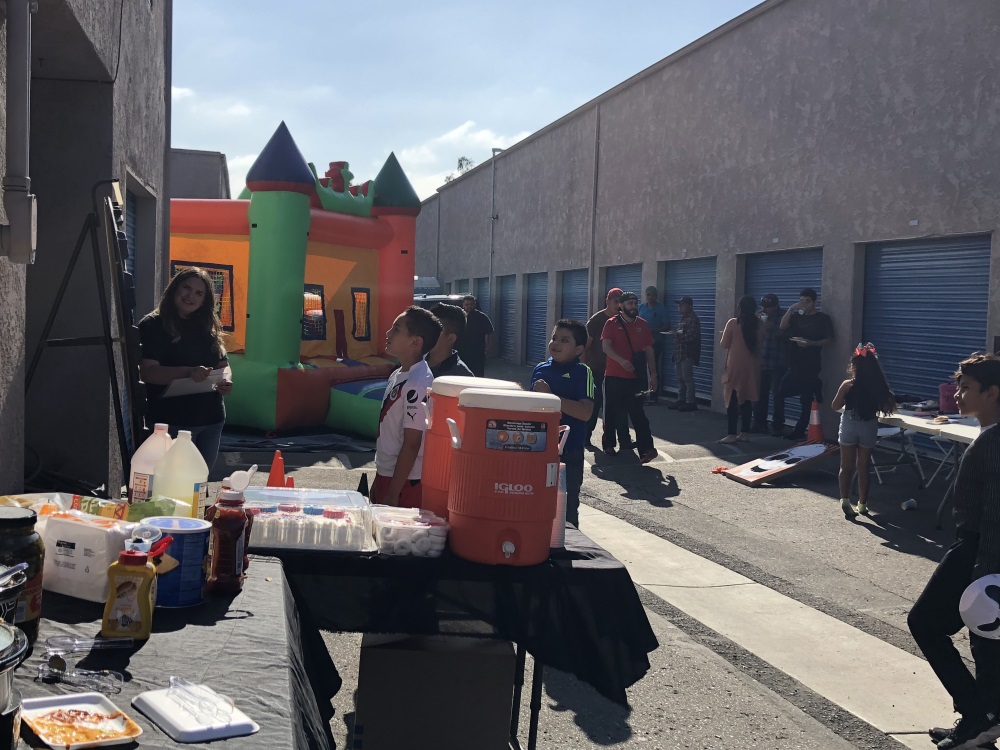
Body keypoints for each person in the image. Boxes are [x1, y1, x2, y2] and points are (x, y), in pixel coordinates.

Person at [908, 354, 1000, 750]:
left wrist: (986, 572)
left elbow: (995, 511)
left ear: (993, 393)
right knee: (983, 638)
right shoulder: (988, 434)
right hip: (977, 548)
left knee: (926, 623)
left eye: (966, 387)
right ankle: (981, 716)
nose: (957, 394)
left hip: (981, 549)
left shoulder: (995, 442)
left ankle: (980, 717)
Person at [138, 268, 233, 471]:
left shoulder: (208, 326)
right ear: (174, 288)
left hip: (212, 421)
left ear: (205, 300)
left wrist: (225, 381)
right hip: (171, 424)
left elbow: (223, 366)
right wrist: (189, 372)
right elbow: (148, 373)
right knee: (171, 487)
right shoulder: (152, 325)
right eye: (186, 287)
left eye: (199, 293)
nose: (190, 296)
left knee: (198, 486)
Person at [372, 306, 442, 507]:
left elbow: (412, 443)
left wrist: (393, 493)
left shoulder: (418, 383)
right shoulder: (398, 374)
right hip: (386, 473)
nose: (388, 333)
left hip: (404, 483)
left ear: (415, 342)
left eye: (396, 329)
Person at [530, 319, 594, 527]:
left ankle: (566, 547)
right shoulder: (540, 369)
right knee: (535, 500)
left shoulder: (583, 373)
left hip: (569, 451)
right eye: (554, 338)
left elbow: (585, 412)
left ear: (578, 349)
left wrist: (552, 396)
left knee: (566, 505)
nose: (555, 343)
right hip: (538, 448)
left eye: (564, 340)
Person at [830, 343, 896, 518]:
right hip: (868, 425)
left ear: (854, 366)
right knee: (864, 467)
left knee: (846, 466)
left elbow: (835, 406)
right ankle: (863, 504)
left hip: (849, 424)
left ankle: (845, 500)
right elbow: (889, 406)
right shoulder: (878, 386)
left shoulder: (847, 384)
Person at [600, 291, 658, 463]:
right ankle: (609, 444)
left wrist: (653, 374)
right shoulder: (611, 323)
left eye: (634, 303)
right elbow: (606, 346)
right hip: (613, 377)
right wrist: (620, 360)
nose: (633, 306)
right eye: (629, 303)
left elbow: (649, 350)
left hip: (635, 379)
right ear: (621, 305)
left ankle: (646, 449)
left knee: (638, 415)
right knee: (611, 413)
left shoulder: (643, 325)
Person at [777, 288, 834, 440]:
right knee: (781, 391)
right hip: (795, 361)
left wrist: (811, 343)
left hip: (811, 363)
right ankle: (816, 385)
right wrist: (790, 309)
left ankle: (799, 430)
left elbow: (829, 340)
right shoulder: (796, 317)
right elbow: (782, 327)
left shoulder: (822, 318)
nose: (804, 304)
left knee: (806, 400)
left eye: (807, 301)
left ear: (814, 302)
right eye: (802, 300)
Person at [718, 296, 764, 444]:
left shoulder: (733, 323)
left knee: (731, 398)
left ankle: (731, 433)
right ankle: (745, 432)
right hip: (752, 365)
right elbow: (761, 341)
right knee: (747, 396)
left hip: (735, 364)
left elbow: (724, 344)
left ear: (740, 308)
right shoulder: (760, 324)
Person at [583, 288, 623, 450]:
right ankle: (586, 436)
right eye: (615, 301)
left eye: (621, 302)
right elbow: (586, 345)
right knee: (595, 404)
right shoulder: (597, 320)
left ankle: (618, 441)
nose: (618, 305)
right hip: (596, 370)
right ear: (608, 301)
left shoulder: (622, 320)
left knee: (614, 407)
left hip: (616, 371)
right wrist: (585, 369)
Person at [752, 294, 789, 435]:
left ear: (775, 306)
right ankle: (759, 423)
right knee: (760, 395)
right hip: (762, 361)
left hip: (777, 362)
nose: (765, 310)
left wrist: (769, 326)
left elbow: (784, 334)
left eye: (768, 307)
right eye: (763, 307)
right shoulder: (760, 316)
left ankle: (778, 425)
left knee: (777, 395)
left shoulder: (783, 316)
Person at [666, 295, 701, 411]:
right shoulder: (683, 318)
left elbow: (692, 336)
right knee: (680, 378)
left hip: (687, 353)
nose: (679, 307)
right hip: (679, 353)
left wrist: (677, 335)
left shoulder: (693, 319)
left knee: (687, 378)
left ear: (689, 306)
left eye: (682, 305)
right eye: (679, 305)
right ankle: (681, 400)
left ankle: (691, 402)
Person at [638, 286, 672, 404]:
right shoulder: (641, 308)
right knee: (641, 368)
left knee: (653, 368)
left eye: (652, 294)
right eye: (648, 294)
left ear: (656, 296)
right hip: (641, 343)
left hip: (655, 342)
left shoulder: (661, 309)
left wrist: (653, 330)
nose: (649, 297)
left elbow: (667, 326)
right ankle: (641, 395)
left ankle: (654, 395)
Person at [426, 304, 474, 378]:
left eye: (433, 330)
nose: (426, 334)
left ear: (451, 338)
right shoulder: (414, 361)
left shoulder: (461, 377)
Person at [456, 295, 494, 377]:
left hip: (477, 353)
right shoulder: (458, 317)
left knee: (478, 375)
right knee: (462, 375)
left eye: (471, 304)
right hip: (461, 352)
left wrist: (490, 347)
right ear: (463, 305)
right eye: (467, 304)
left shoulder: (482, 317)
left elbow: (490, 332)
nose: (469, 306)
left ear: (474, 304)